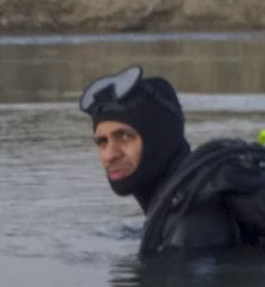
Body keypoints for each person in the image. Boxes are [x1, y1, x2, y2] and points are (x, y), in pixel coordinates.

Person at [79, 65, 265, 254]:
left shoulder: (188, 226)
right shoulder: (181, 206)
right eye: (102, 141)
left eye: (125, 136)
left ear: (159, 140)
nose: (110, 155)